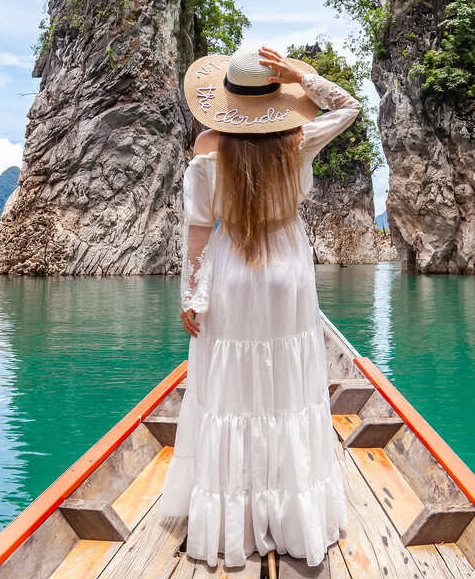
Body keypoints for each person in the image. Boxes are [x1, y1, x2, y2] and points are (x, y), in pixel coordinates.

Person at [156, 43, 359, 567]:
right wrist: (303, 76)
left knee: (230, 387)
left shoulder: (206, 151)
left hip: (231, 271)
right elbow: (348, 107)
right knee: (286, 383)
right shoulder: (298, 140)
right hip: (287, 271)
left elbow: (198, 231)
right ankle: (293, 512)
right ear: (275, 97)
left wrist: (191, 296)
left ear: (226, 102)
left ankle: (236, 517)